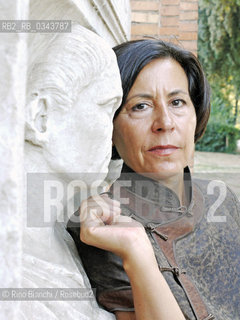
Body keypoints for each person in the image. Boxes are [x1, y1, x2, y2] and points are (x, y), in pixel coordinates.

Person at [67, 39, 240, 320]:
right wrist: (137, 250)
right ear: (109, 126)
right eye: (140, 106)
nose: (165, 122)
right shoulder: (106, 227)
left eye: (177, 102)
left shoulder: (222, 198)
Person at [22, 24, 122, 320]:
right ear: (42, 117)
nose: (114, 131)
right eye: (106, 108)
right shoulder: (15, 262)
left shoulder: (61, 238)